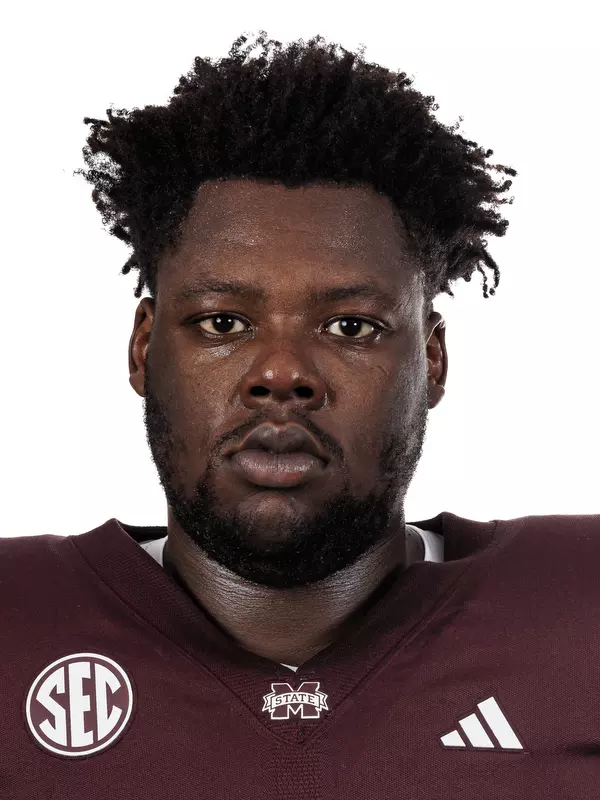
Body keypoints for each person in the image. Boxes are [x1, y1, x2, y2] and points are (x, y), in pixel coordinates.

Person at [3, 30, 598, 799]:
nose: (281, 375)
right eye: (223, 322)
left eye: (350, 326)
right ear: (143, 348)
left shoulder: (579, 613)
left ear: (434, 361)